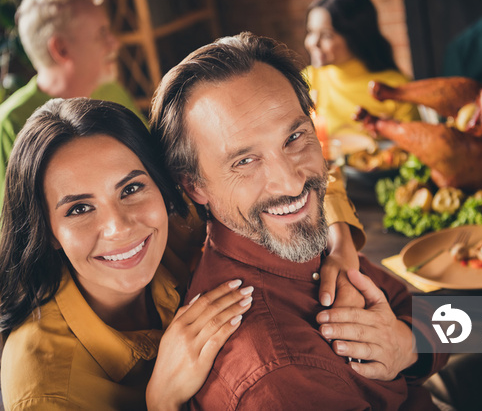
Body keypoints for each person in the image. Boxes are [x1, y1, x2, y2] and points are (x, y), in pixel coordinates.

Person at [150, 32, 447, 410]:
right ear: (194, 186)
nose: (292, 182)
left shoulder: (299, 245)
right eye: (245, 161)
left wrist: (409, 343)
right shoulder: (277, 376)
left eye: (294, 136)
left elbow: (462, 322)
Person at [0, 97, 255, 410]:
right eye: (80, 209)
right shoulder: (46, 393)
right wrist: (162, 402)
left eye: (130, 189)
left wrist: (328, 240)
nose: (119, 228)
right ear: (48, 233)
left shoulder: (178, 223)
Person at [0, 0, 145, 222]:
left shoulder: (111, 91)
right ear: (61, 48)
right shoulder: (10, 124)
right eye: (102, 34)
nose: (114, 44)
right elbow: (16, 236)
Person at [303, 0, 420, 137]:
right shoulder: (306, 81)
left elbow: (415, 149)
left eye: (326, 36)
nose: (313, 42)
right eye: (311, 32)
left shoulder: (396, 88)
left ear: (355, 37)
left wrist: (391, 131)